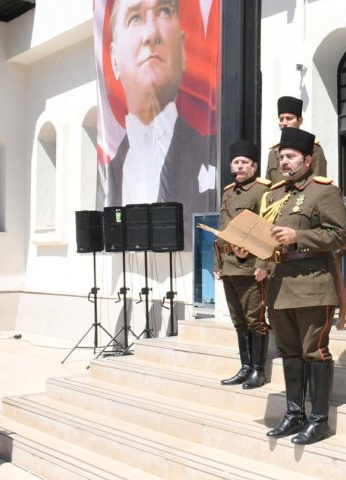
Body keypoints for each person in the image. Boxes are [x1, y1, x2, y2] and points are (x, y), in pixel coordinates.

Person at [260, 127, 346, 445]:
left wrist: (300, 237)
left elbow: (339, 235)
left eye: (291, 156)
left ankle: (319, 420)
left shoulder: (323, 192)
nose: (284, 161)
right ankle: (294, 414)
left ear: (307, 159)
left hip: (312, 283)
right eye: (281, 156)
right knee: (289, 352)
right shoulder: (274, 195)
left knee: (315, 351)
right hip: (280, 285)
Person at [105, 0, 216, 233]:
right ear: (114, 59)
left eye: (164, 12)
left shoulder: (211, 152)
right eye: (134, 18)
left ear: (183, 47)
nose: (151, 34)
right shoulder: (110, 172)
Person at [215, 139, 272, 390]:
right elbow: (221, 228)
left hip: (251, 266)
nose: (239, 167)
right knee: (238, 320)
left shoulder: (262, 190)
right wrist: (217, 263)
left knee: (255, 319)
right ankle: (245, 367)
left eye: (244, 163)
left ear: (254, 166)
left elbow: (266, 230)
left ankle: (258, 370)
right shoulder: (228, 191)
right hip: (229, 265)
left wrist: (263, 263)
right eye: (236, 162)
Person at [265, 96, 327, 183]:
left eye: (289, 118)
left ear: (300, 120)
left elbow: (318, 183)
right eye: (281, 119)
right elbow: (269, 185)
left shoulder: (313, 149)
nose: (284, 123)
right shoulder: (273, 152)